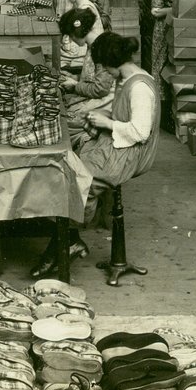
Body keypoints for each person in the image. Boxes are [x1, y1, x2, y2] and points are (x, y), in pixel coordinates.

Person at [31, 32, 160, 278]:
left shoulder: (140, 87)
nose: (103, 72)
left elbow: (141, 132)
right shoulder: (128, 76)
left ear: (111, 62)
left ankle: (60, 248)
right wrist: (98, 118)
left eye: (103, 66)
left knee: (79, 183)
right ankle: (69, 241)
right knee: (69, 167)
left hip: (132, 151)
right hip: (119, 142)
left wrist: (106, 122)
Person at [58, 7, 114, 147]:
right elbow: (93, 77)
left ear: (76, 32)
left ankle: (87, 142)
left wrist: (75, 86)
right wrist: (74, 77)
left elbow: (101, 88)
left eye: (70, 35)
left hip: (109, 101)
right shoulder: (93, 45)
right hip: (98, 96)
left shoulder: (101, 48)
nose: (70, 39)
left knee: (63, 125)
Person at [57, 0, 105, 73]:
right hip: (89, 45)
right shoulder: (81, 5)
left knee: (59, 58)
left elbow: (80, 36)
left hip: (92, 46)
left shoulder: (85, 7)